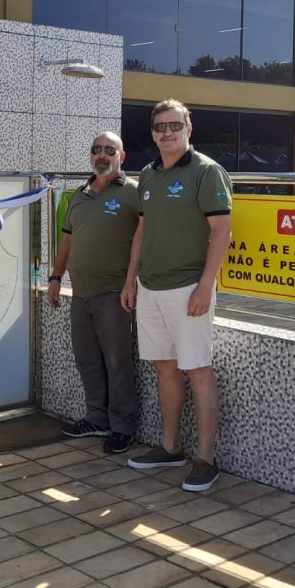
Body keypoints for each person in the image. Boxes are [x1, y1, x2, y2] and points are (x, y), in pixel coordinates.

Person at [122, 98, 233, 493]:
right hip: (150, 289)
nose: (166, 133)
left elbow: (222, 232)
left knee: (197, 371)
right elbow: (141, 231)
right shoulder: (149, 175)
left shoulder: (206, 172)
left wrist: (205, 286)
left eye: (173, 125)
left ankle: (205, 459)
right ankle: (170, 447)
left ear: (189, 128)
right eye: (158, 127)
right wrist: (130, 279)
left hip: (188, 289)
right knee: (165, 369)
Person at [47, 131, 140, 454]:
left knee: (117, 362)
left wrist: (131, 283)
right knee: (87, 359)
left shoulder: (133, 193)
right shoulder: (80, 193)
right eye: (97, 150)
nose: (102, 155)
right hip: (81, 292)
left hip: (114, 294)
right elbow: (68, 239)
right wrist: (56, 277)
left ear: (122, 157)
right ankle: (96, 418)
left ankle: (123, 426)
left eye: (109, 150)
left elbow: (142, 242)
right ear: (90, 156)